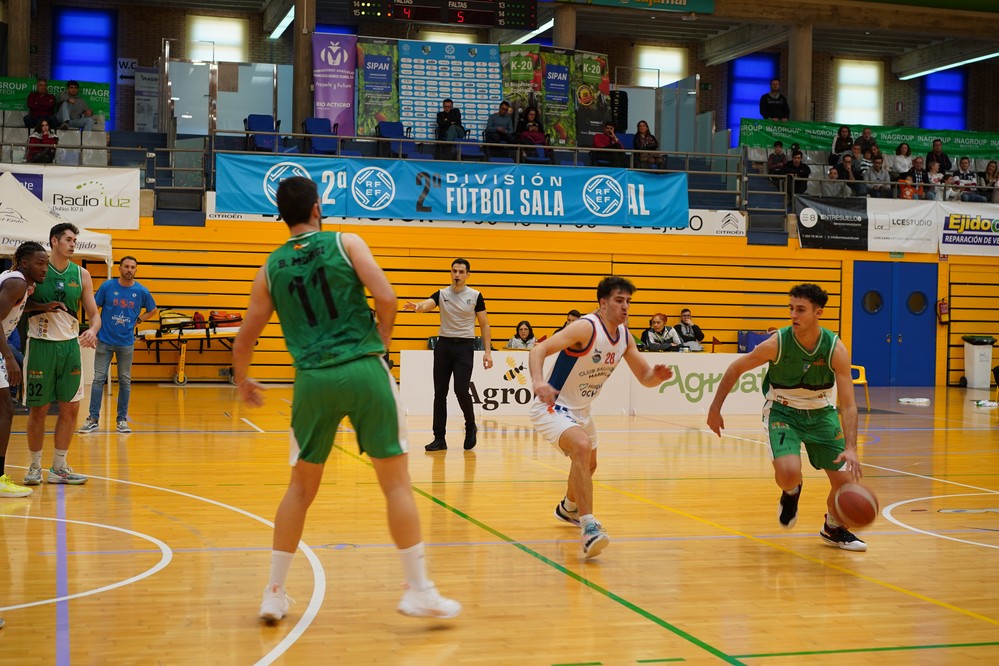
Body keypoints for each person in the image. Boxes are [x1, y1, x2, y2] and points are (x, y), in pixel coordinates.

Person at [232, 176, 461, 622]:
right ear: (317, 208)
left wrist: (243, 380)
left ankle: (274, 593)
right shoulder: (347, 241)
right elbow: (387, 298)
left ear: (282, 216)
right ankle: (419, 589)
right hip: (363, 367)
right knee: (395, 483)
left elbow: (246, 336)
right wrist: (382, 337)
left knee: (299, 489)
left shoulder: (271, 267)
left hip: (312, 380)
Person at [707, 283, 866, 551]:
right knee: (790, 473)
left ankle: (833, 527)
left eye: (800, 310)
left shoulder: (835, 348)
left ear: (819, 313)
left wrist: (851, 447)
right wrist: (715, 408)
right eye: (791, 308)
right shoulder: (777, 343)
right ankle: (791, 491)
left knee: (847, 487)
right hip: (782, 410)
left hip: (821, 412)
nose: (793, 315)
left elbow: (849, 405)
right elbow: (735, 368)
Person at [529, 277, 673, 560]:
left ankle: (568, 507)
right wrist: (537, 382)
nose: (626, 307)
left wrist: (656, 377)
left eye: (629, 301)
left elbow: (644, 378)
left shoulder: (625, 336)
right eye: (620, 300)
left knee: (589, 464)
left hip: (581, 410)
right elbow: (538, 349)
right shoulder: (585, 327)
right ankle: (589, 528)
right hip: (552, 406)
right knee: (581, 448)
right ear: (603, 303)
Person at [22, 223, 100, 487]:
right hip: (41, 345)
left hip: (70, 347)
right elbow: (18, 304)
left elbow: (94, 314)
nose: (73, 243)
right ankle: (34, 466)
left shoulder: (82, 274)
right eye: (68, 239)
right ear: (54, 241)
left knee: (71, 407)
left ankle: (59, 467)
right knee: (39, 409)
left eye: (75, 240)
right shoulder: (37, 270)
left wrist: (93, 331)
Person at [404, 259, 493, 452]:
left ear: (468, 274)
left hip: (465, 347)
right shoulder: (442, 293)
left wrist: (487, 352)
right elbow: (429, 304)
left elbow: (484, 324)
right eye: (454, 271)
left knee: (461, 390)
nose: (457, 275)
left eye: (461, 272)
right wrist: (417, 306)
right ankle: (439, 438)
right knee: (440, 392)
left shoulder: (476, 296)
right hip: (444, 346)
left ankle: (470, 426)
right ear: (450, 273)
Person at [79, 256, 158, 435]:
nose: (129, 270)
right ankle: (93, 419)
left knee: (125, 381)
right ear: (120, 268)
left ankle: (121, 420)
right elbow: (93, 307)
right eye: (126, 266)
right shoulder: (107, 287)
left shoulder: (142, 291)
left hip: (126, 343)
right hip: (105, 341)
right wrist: (94, 329)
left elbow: (153, 310)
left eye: (133, 267)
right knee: (98, 379)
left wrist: (140, 319)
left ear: (136, 270)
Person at [0, 242, 49, 498]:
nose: (45, 268)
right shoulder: (17, 281)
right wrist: (8, 357)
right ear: (25, 262)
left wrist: (44, 306)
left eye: (47, 264)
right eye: (40, 263)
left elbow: (16, 306)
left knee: (4, 409)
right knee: (5, 409)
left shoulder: (21, 284)